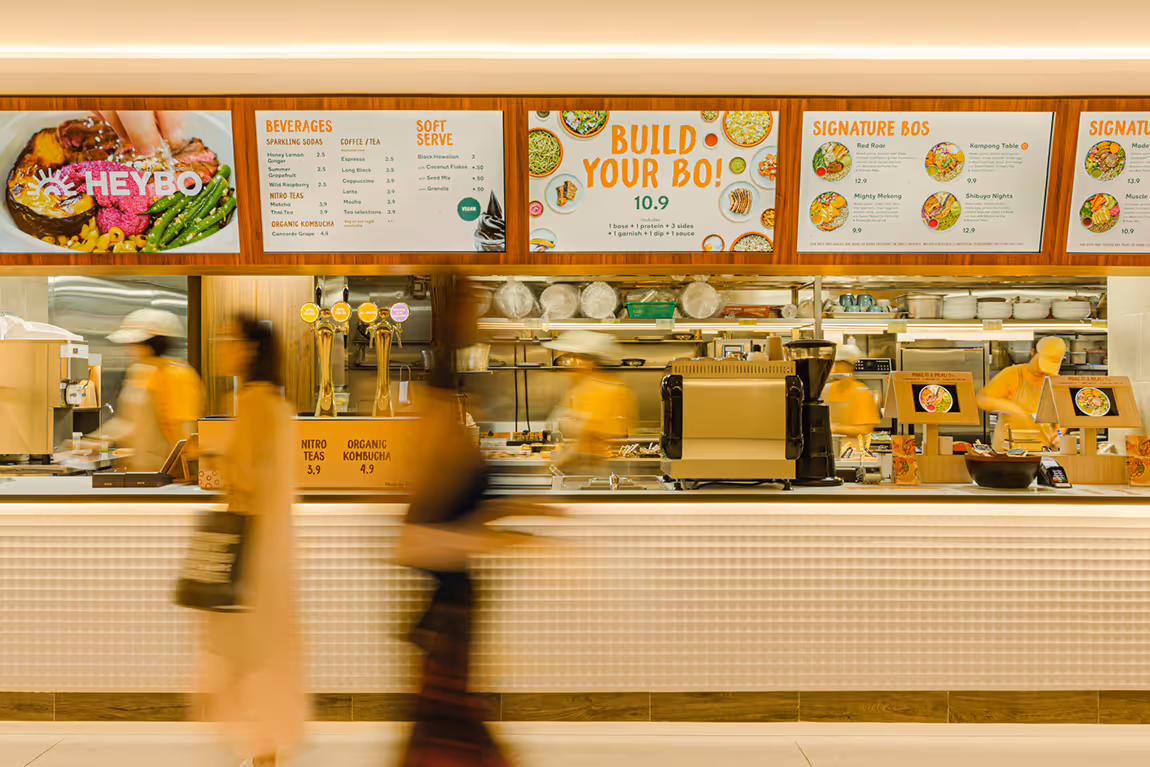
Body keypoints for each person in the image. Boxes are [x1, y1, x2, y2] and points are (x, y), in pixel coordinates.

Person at [396, 276, 518, 767]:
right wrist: (504, 539)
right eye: (472, 301)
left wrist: (518, 515)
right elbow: (413, 541)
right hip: (445, 613)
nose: (482, 310)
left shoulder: (451, 408)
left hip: (457, 611)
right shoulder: (436, 417)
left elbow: (460, 505)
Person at [200, 315, 307, 767]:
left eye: (227, 338)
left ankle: (265, 753)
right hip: (270, 549)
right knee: (260, 655)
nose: (220, 346)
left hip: (251, 550)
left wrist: (207, 457)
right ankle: (266, 752)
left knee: (248, 658)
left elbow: (247, 483)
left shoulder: (252, 402)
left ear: (248, 349)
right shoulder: (272, 402)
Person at [100, 309, 202, 471]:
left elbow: (184, 434)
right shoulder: (138, 372)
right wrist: (95, 439)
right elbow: (127, 422)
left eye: (133, 344)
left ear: (152, 344)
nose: (128, 350)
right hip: (138, 470)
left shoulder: (177, 375)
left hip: (164, 473)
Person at [544, 330, 637, 477]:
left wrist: (551, 469)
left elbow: (589, 439)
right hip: (581, 469)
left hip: (595, 472)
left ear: (589, 362)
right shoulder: (583, 388)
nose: (565, 364)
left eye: (571, 359)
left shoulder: (605, 391)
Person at [976, 336, 1067, 451]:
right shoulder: (1012, 374)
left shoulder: (1056, 382)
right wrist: (1009, 408)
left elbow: (1063, 418)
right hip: (1008, 451)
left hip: (1042, 451)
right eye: (1042, 362)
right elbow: (981, 400)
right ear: (1032, 352)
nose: (1043, 369)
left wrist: (1058, 434)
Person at [823, 343, 880, 457]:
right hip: (829, 449)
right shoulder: (827, 389)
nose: (835, 367)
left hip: (853, 452)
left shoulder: (861, 392)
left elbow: (866, 428)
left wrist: (835, 428)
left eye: (839, 364)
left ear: (850, 366)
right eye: (835, 363)